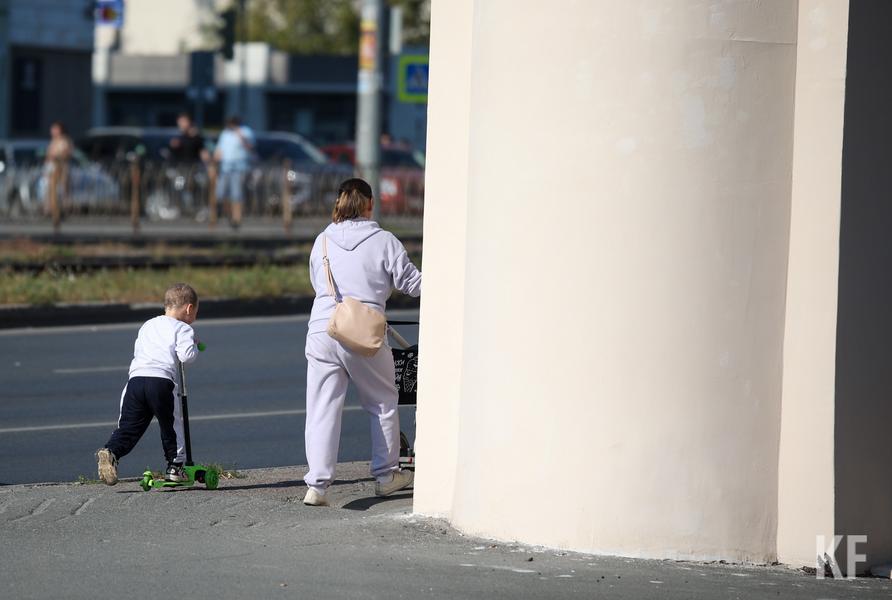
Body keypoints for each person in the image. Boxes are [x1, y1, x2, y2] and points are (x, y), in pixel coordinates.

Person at [302, 178, 422, 506]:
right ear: (370, 204)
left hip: (323, 329)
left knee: (321, 408)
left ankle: (317, 486)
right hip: (362, 333)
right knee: (382, 402)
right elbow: (412, 284)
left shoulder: (322, 240)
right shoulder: (384, 241)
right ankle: (386, 476)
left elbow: (317, 283)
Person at [95, 284, 201, 486]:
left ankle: (111, 452)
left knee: (129, 426)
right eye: (196, 312)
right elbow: (186, 356)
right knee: (171, 425)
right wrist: (194, 345)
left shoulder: (148, 325)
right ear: (189, 308)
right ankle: (175, 466)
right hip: (160, 382)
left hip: (135, 381)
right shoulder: (183, 328)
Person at [213, 115, 255, 230]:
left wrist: (240, 135)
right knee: (221, 193)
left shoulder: (246, 131)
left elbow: (250, 147)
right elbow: (219, 149)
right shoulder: (225, 133)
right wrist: (214, 162)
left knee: (237, 194)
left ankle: (237, 218)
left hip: (239, 167)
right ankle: (229, 215)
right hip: (225, 167)